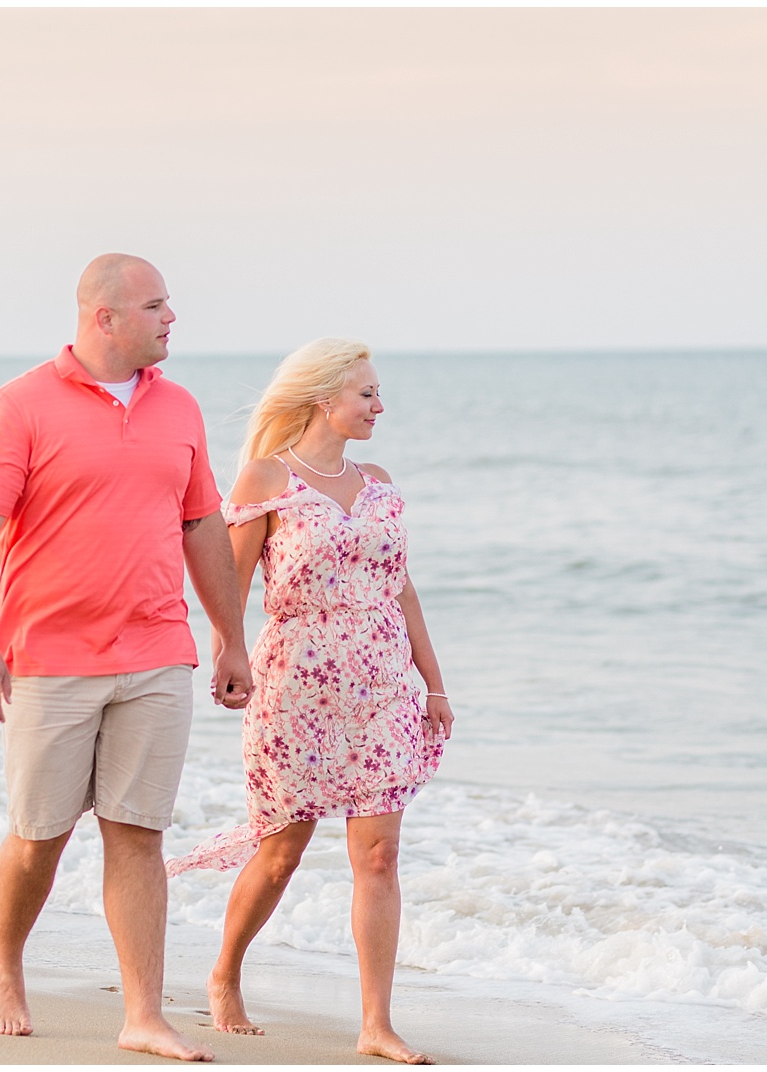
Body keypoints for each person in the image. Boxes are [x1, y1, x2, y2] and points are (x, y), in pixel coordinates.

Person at [0, 253, 253, 1062]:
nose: (172, 318)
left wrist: (230, 636)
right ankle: (5, 966)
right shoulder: (18, 406)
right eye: (156, 305)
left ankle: (143, 1014)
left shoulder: (180, 408)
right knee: (39, 835)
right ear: (104, 317)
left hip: (157, 652)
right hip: (49, 659)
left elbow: (202, 528)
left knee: (137, 832)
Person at [167, 338, 454, 1065]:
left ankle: (376, 1023)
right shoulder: (268, 478)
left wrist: (435, 681)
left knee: (380, 854)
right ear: (325, 398)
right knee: (281, 850)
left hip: (384, 684)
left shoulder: (381, 482)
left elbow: (402, 587)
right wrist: (229, 651)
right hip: (295, 684)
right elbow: (226, 583)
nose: (379, 406)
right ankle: (225, 972)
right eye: (367, 394)